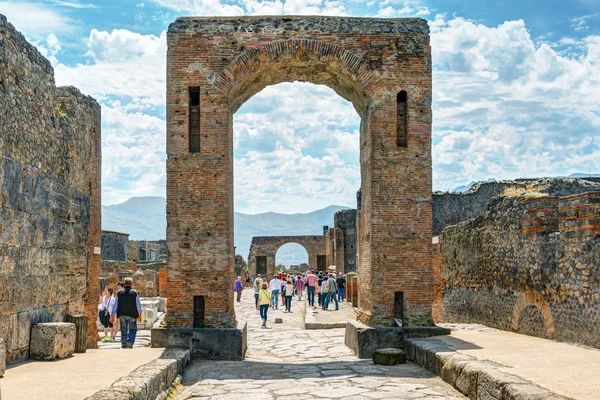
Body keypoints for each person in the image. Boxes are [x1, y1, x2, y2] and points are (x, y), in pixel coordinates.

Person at [110, 277, 142, 349]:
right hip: (132, 314)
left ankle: (124, 344)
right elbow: (138, 305)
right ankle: (130, 342)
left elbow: (115, 305)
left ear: (124, 284)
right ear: (131, 284)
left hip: (122, 314)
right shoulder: (135, 293)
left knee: (123, 330)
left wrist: (112, 315)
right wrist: (140, 315)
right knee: (132, 329)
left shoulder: (119, 293)